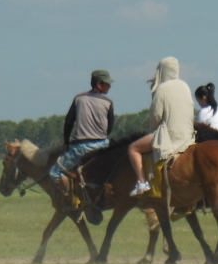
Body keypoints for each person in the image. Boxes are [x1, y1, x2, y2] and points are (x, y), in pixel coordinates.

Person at [128, 57, 195, 196]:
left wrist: (153, 130)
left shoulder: (162, 89)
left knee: (133, 148)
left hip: (170, 136)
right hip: (188, 136)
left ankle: (142, 183)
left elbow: (156, 117)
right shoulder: (184, 86)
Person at [48, 70, 115, 204]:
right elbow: (110, 126)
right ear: (99, 84)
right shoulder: (108, 102)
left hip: (80, 147)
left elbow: (69, 122)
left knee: (55, 172)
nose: (109, 87)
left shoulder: (79, 99)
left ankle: (69, 200)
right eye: (107, 84)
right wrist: (101, 136)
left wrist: (66, 141)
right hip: (102, 146)